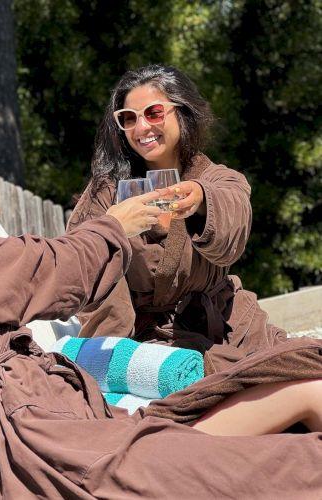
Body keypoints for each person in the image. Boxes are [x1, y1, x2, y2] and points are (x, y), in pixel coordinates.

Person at [0, 110, 321, 500]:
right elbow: (47, 269)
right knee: (300, 466)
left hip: (51, 437)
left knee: (300, 380)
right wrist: (117, 224)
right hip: (49, 450)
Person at [67, 64, 287, 374]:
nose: (141, 127)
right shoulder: (106, 194)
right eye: (128, 118)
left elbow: (234, 224)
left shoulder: (217, 178)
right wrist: (114, 360)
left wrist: (200, 198)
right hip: (154, 347)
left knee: (301, 372)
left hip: (232, 329)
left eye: (154, 113)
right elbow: (88, 264)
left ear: (182, 112)